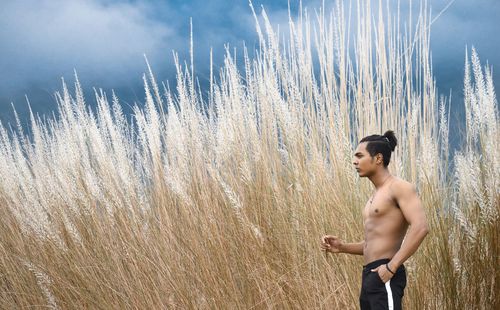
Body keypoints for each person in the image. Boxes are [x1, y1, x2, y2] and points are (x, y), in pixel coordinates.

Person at [320, 130, 429, 310]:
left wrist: (391, 267)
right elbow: (374, 243)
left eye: (360, 156)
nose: (354, 161)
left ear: (378, 158)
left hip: (385, 272)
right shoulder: (375, 196)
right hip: (370, 276)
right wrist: (342, 247)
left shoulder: (399, 187)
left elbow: (421, 227)